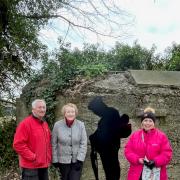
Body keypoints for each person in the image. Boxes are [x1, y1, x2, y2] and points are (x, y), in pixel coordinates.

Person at [88, 96, 132, 180]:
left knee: (112, 172)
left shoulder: (111, 114)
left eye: (95, 110)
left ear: (99, 108)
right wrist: (94, 136)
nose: (95, 113)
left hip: (109, 149)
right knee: (111, 172)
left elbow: (105, 134)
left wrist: (94, 137)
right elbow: (102, 132)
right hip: (107, 150)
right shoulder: (108, 115)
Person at [124, 107, 172, 180]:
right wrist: (138, 159)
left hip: (155, 173)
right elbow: (128, 151)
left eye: (150, 121)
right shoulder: (135, 135)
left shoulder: (162, 136)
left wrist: (155, 162)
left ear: (154, 123)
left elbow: (167, 154)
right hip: (137, 174)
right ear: (142, 122)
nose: (147, 123)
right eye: (145, 120)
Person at [13, 99, 52, 180]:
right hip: (31, 167)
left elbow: (48, 143)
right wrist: (33, 157)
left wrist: (48, 158)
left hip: (43, 165)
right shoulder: (25, 124)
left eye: (44, 107)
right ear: (33, 109)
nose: (42, 109)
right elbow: (18, 144)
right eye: (39, 107)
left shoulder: (44, 124)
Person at [52, 103, 87, 180]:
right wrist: (55, 160)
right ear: (64, 113)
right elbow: (53, 144)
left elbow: (83, 143)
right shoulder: (57, 125)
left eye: (72, 112)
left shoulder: (81, 125)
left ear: (75, 113)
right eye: (68, 112)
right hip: (62, 161)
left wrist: (80, 159)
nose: (70, 114)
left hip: (76, 161)